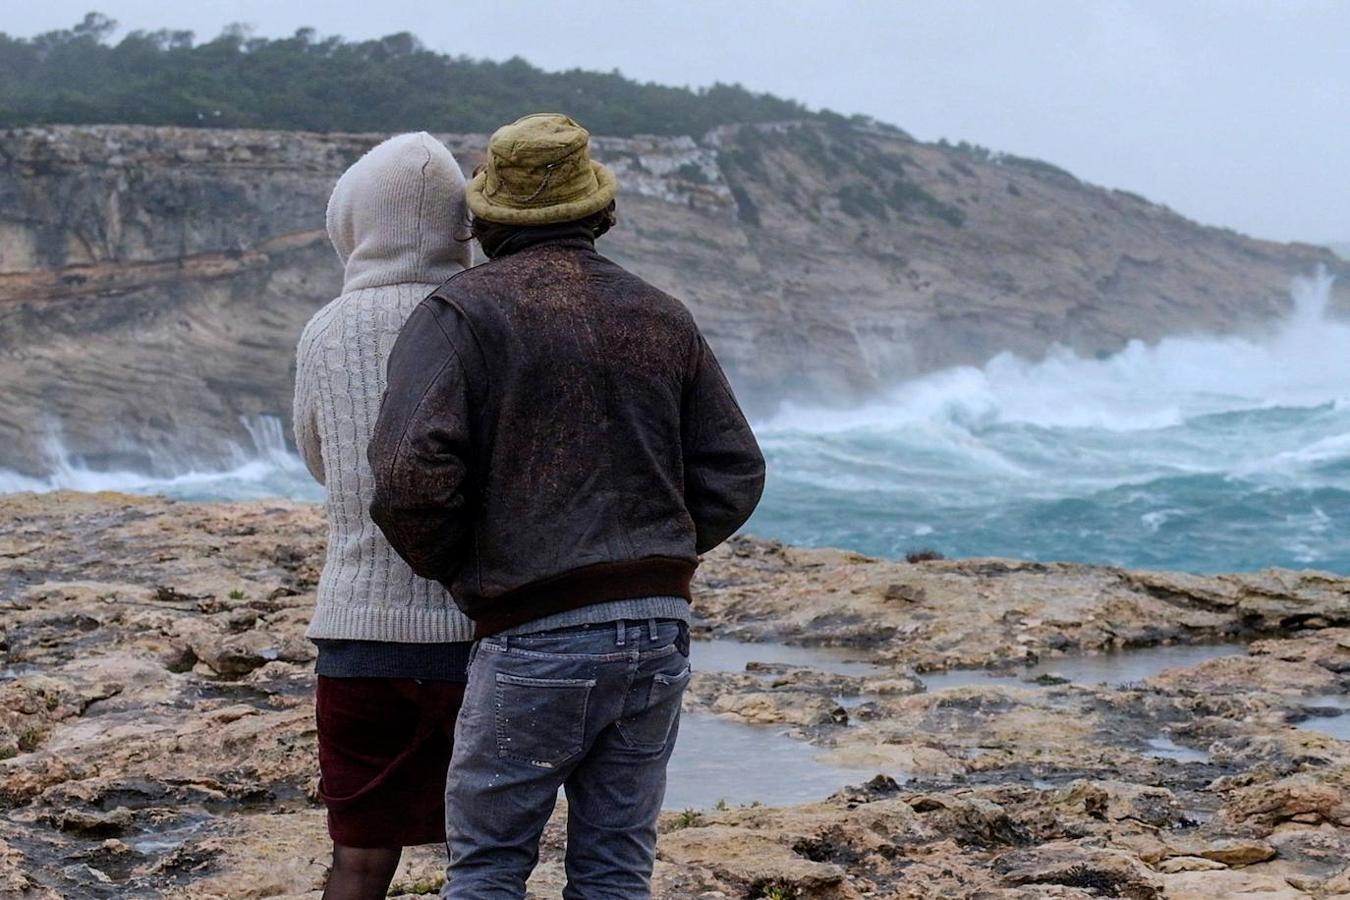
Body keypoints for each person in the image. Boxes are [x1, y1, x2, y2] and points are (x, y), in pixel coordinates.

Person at [368, 112, 766, 899]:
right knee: (616, 866)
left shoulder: (461, 314)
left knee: (487, 866)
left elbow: (410, 477)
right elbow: (734, 469)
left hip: (534, 634)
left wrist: (473, 567)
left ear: (483, 221)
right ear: (602, 213)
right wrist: (657, 552)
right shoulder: (659, 311)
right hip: (657, 629)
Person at [292, 132, 477, 900]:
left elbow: (319, 457)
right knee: (488, 848)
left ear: (355, 221)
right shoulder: (477, 315)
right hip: (472, 635)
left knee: (360, 857)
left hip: (357, 632)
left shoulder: (327, 329)